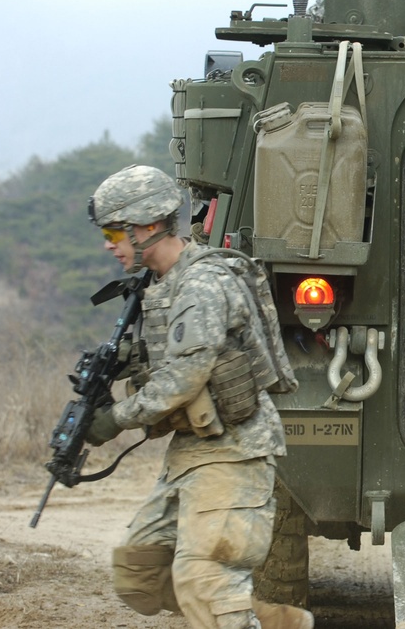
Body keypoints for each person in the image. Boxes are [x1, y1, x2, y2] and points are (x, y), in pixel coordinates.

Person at [84, 165, 313, 629]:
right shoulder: (159, 286)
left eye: (114, 232)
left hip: (233, 452)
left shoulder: (203, 283)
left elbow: (184, 379)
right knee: (140, 575)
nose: (109, 244)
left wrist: (117, 418)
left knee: (201, 581)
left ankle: (229, 614)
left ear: (147, 227)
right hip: (191, 453)